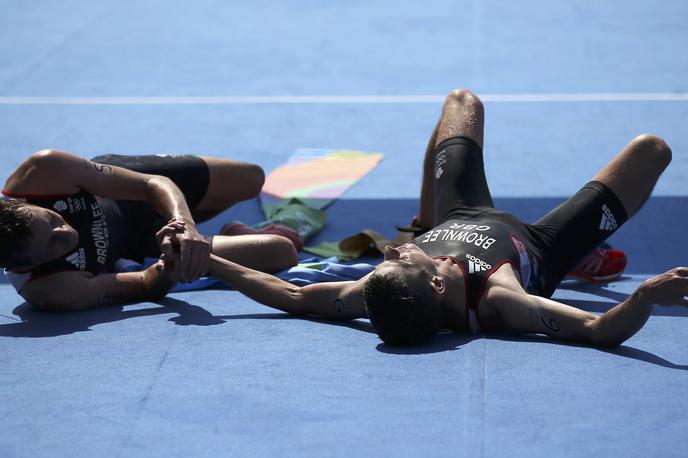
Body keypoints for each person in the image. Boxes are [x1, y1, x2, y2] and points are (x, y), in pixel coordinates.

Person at [162, 88, 686, 348]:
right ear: (437, 286)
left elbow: (292, 296)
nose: (390, 252)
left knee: (462, 101)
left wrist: (212, 260)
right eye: (402, 258)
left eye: (390, 257)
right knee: (651, 150)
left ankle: (425, 218)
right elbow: (596, 329)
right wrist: (643, 297)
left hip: (460, 212)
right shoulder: (502, 302)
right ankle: (582, 254)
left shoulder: (381, 291)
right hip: (545, 245)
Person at [0, 150, 299, 311]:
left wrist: (184, 225)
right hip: (148, 245)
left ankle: (201, 219)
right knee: (281, 250)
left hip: (132, 190)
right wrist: (168, 268)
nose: (67, 233)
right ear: (24, 265)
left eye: (53, 219)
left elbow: (151, 184)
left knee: (250, 179)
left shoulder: (44, 170)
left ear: (23, 203)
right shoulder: (53, 290)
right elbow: (144, 283)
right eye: (53, 244)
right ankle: (228, 231)